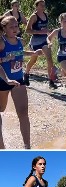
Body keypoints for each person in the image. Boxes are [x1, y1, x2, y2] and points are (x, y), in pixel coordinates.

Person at [0, 15, 42, 149]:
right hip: (2, 80)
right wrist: (6, 79)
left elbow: (19, 52)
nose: (14, 28)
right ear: (4, 29)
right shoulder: (1, 42)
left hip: (18, 79)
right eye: (11, 26)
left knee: (23, 111)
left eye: (16, 26)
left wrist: (33, 53)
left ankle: (27, 146)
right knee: (0, 110)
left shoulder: (19, 41)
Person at [23, 0, 57, 88]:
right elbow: (27, 30)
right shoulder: (34, 16)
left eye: (44, 5)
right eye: (41, 5)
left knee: (49, 58)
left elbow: (45, 28)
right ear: (36, 6)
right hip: (35, 41)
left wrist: (48, 33)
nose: (43, 6)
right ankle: (26, 74)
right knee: (33, 60)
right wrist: (39, 32)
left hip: (44, 40)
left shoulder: (45, 15)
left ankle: (51, 80)